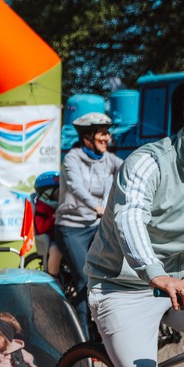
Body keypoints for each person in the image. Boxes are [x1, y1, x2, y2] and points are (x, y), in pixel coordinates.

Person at [81, 101, 184, 367]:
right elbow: (130, 218)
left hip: (179, 282)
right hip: (120, 284)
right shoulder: (149, 162)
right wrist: (154, 271)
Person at [55, 112, 122, 338]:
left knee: (113, 271)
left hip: (96, 225)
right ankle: (82, 340)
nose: (107, 137)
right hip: (71, 226)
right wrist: (96, 206)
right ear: (87, 137)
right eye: (102, 133)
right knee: (85, 279)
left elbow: (129, 169)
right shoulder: (72, 158)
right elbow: (75, 186)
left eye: (107, 132)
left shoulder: (108, 159)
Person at [33, 171, 62, 277]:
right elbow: (41, 228)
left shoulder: (61, 204)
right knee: (56, 250)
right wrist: (53, 218)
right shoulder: (41, 206)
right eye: (58, 191)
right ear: (48, 192)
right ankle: (53, 279)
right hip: (51, 239)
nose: (60, 193)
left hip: (62, 236)